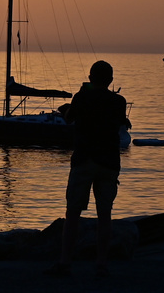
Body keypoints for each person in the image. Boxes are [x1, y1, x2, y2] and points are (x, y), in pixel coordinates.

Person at [51, 60, 128, 279]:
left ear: (90, 77)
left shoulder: (82, 96)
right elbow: (120, 122)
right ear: (110, 80)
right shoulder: (118, 101)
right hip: (109, 163)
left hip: (84, 160)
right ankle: (101, 264)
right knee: (105, 215)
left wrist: (72, 103)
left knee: (73, 213)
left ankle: (65, 262)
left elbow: (69, 118)